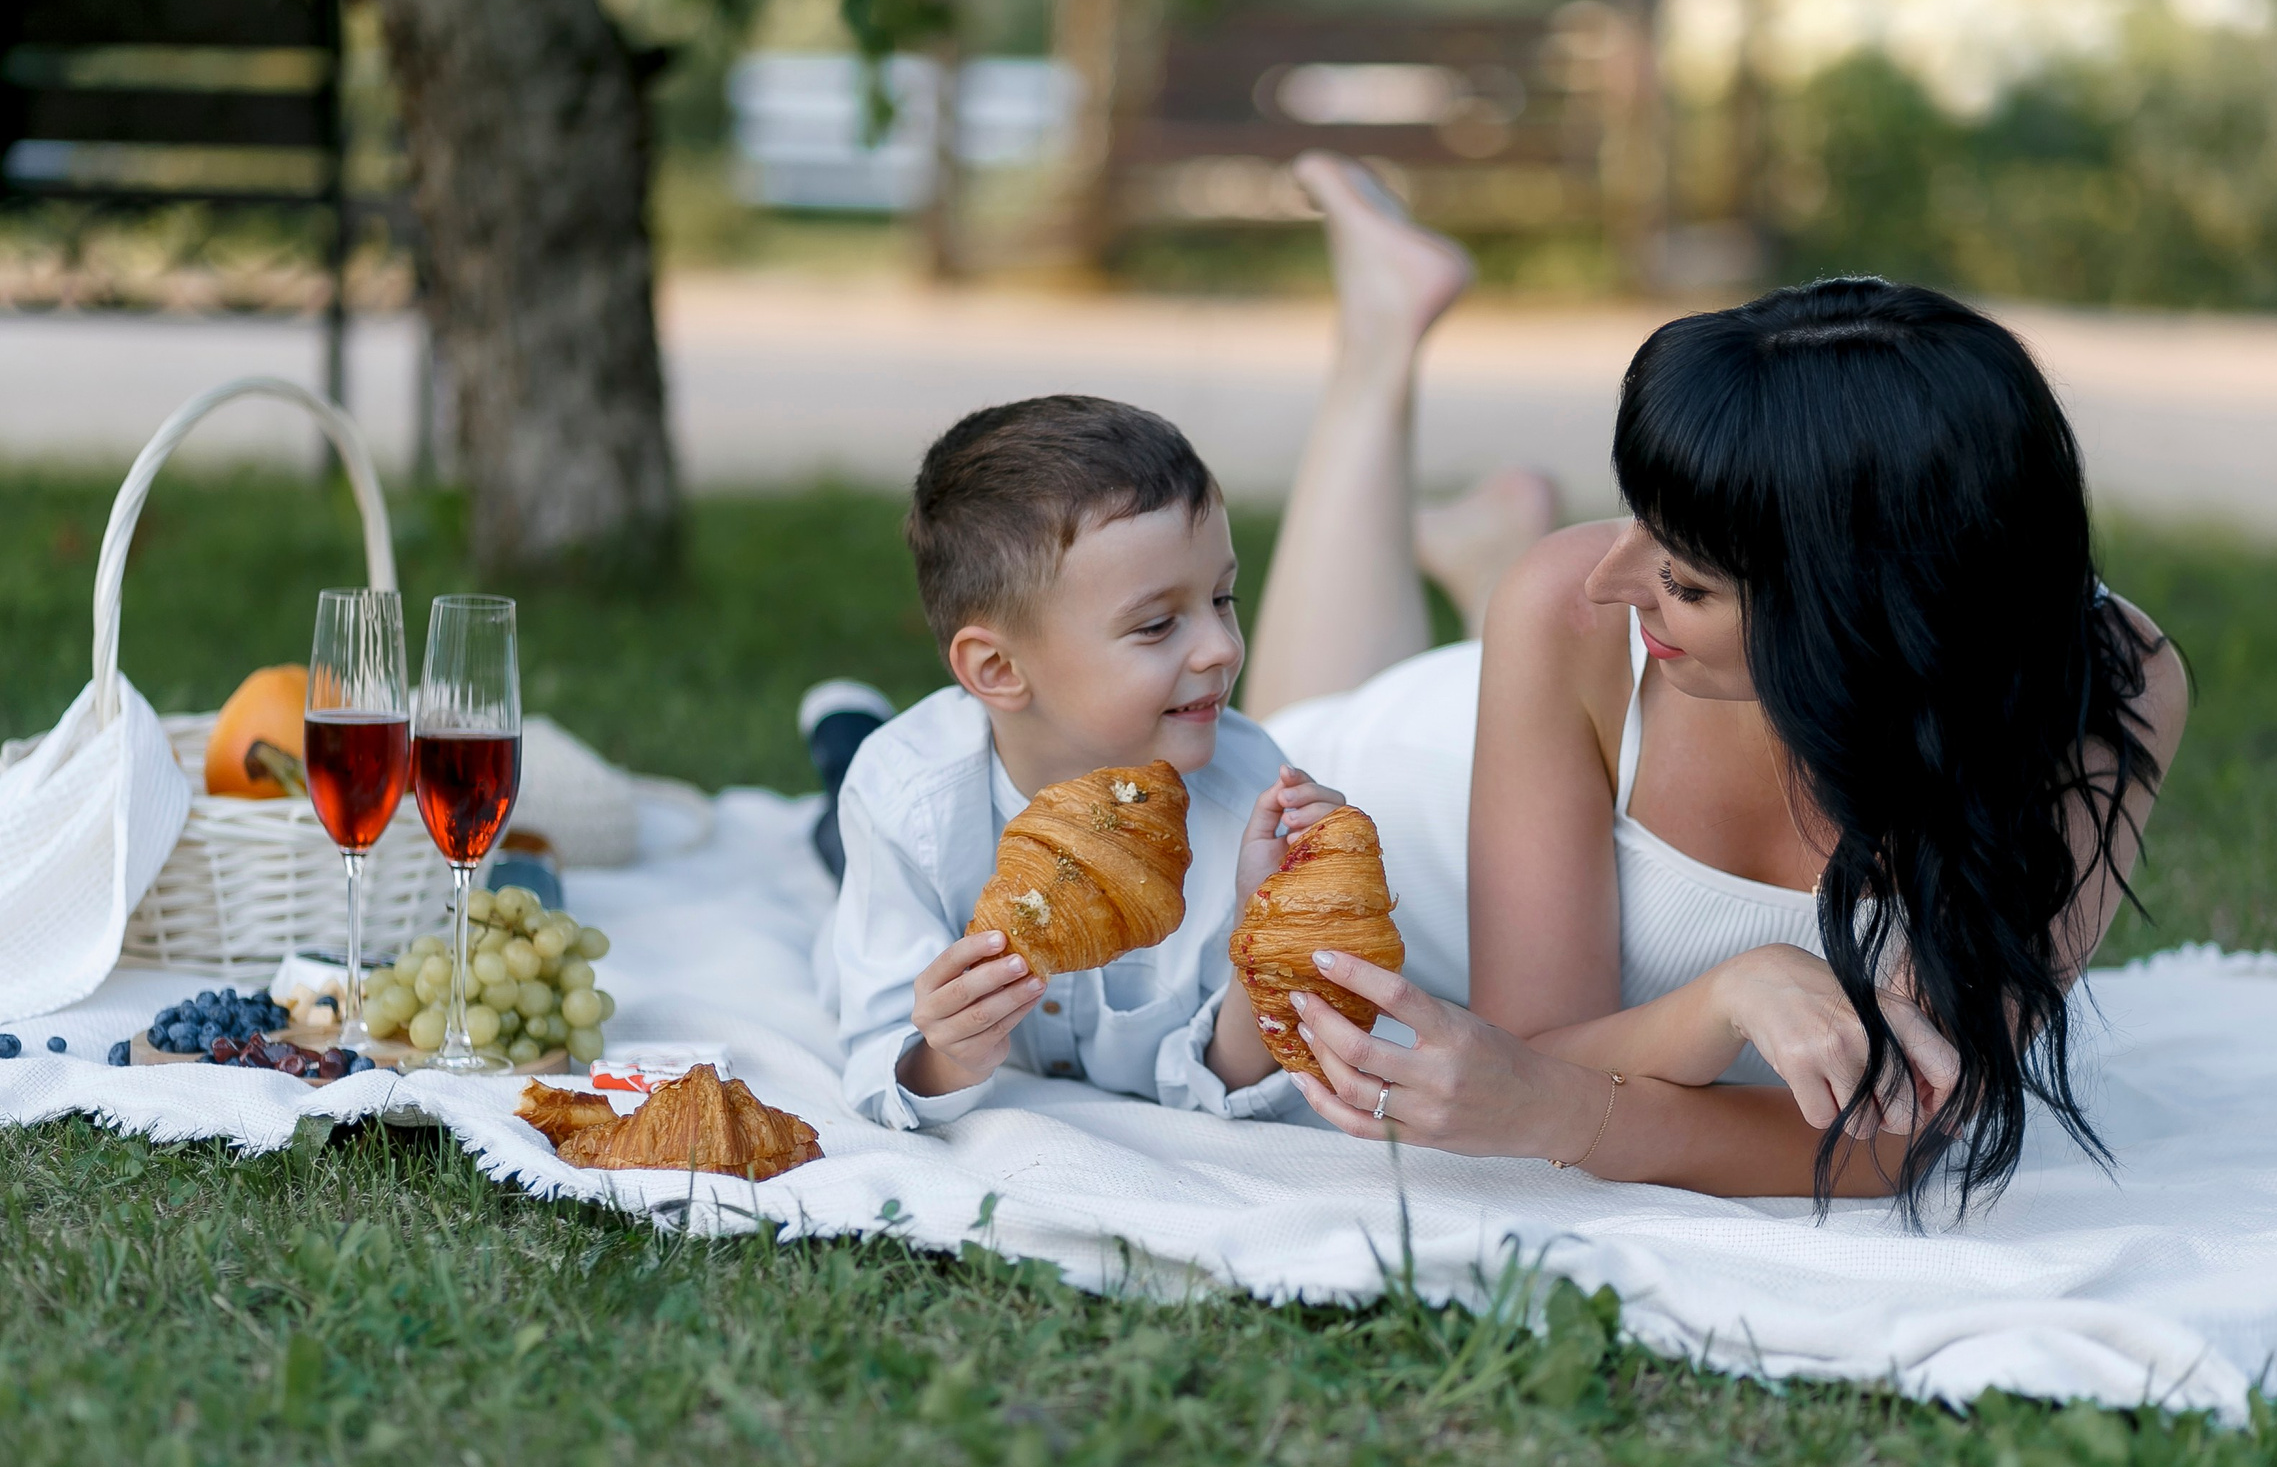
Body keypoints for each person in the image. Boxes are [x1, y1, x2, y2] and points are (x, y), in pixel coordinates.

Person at [1247, 159, 2190, 1213]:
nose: (1615, 575)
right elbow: (1525, 1059)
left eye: (1685, 577)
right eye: (1633, 523)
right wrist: (1724, 998)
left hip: (1595, 708)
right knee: (1284, 723)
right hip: (1412, 767)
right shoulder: (1583, 602)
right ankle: (1378, 341)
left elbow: (1903, 1135)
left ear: (1857, 617)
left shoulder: (2101, 690)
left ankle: (1476, 549)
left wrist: (1574, 1102)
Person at [819, 395, 1349, 1129]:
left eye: (1223, 598)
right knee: (833, 836)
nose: (1223, 648)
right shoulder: (908, 796)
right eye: (1159, 624)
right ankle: (840, 733)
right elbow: (878, 1046)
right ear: (999, 669)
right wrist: (946, 1054)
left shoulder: (1256, 807)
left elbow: (1237, 1081)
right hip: (884, 817)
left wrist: (1267, 941)